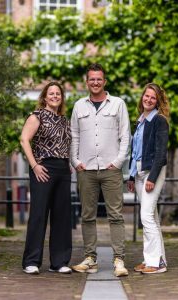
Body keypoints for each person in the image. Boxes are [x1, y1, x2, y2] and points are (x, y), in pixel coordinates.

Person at [70, 63, 131, 277]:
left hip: (111, 169)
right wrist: (75, 161)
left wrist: (118, 161)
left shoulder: (118, 104)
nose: (95, 82)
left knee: (115, 215)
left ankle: (119, 260)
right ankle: (90, 259)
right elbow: (74, 136)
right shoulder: (79, 106)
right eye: (91, 79)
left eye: (99, 79)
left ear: (104, 81)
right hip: (86, 169)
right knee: (87, 216)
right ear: (86, 82)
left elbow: (125, 136)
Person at [20, 82, 72, 275]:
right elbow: (24, 139)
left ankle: (58, 262)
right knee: (39, 214)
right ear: (44, 96)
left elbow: (65, 145)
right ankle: (31, 261)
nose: (55, 96)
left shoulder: (64, 120)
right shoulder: (37, 116)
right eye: (51, 93)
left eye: (58, 93)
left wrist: (70, 164)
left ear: (61, 97)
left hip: (63, 169)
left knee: (62, 216)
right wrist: (34, 166)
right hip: (43, 168)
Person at [127, 83, 169, 274]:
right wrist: (130, 175)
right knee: (152, 217)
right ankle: (156, 259)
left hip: (153, 172)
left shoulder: (159, 121)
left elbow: (161, 153)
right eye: (147, 96)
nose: (149, 100)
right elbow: (135, 151)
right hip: (139, 173)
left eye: (153, 98)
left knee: (146, 216)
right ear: (142, 97)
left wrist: (152, 177)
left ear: (158, 101)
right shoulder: (140, 120)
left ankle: (156, 263)